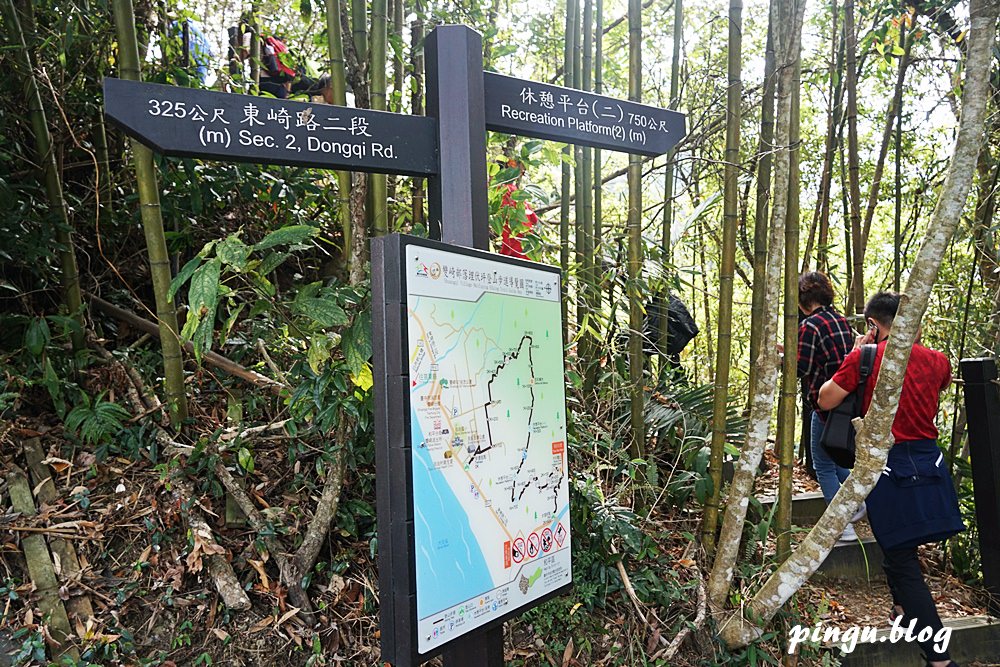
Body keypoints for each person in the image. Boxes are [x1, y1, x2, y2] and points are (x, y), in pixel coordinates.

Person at [818, 292, 964, 667]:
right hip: (928, 464)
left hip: (888, 466)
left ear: (872, 324)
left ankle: (940, 659)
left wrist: (858, 352)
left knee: (900, 558)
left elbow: (826, 399)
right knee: (897, 548)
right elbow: (941, 384)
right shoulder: (936, 360)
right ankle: (902, 613)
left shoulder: (866, 357)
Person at [795, 271, 858, 542]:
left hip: (823, 402)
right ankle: (861, 499)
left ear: (802, 301)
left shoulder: (810, 326)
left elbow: (802, 367)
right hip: (846, 401)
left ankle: (842, 524)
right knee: (834, 459)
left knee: (823, 465)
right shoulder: (840, 320)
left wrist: (781, 359)